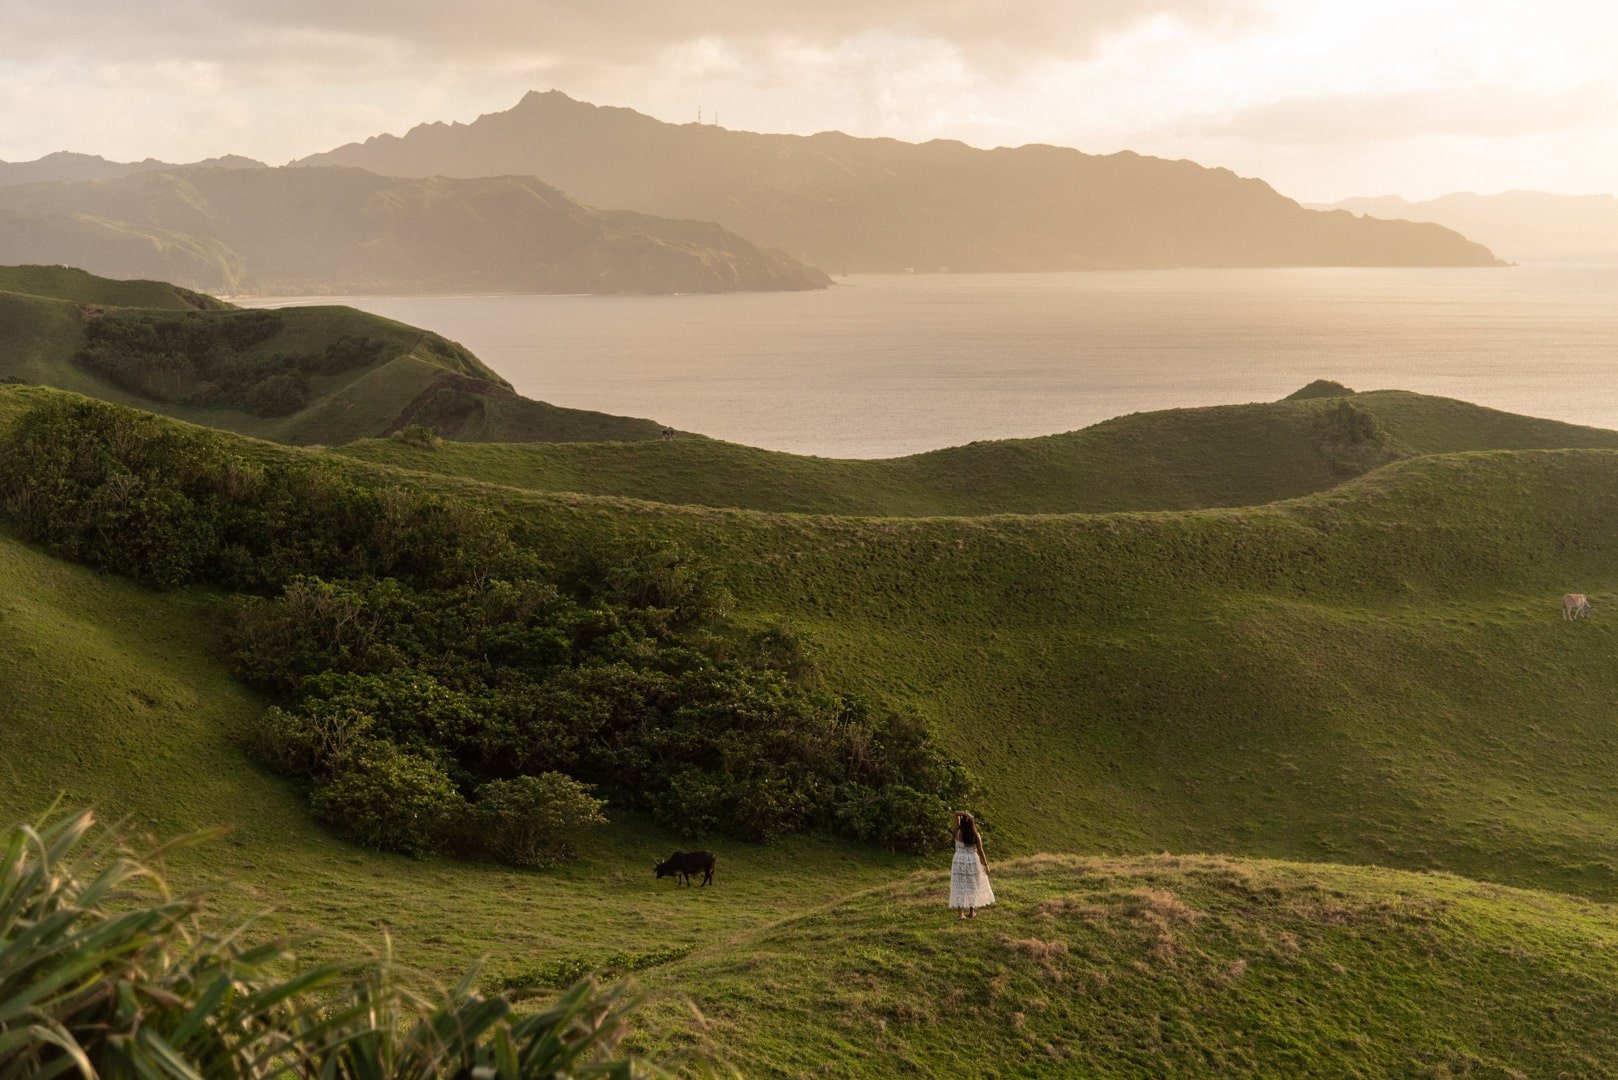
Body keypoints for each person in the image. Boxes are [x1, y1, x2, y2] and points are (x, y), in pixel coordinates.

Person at [949, 811, 995, 919]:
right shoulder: (975, 835)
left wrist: (965, 814)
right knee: (973, 885)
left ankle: (960, 914)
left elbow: (956, 813)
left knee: (959, 886)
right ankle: (971, 912)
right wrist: (986, 864)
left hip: (959, 861)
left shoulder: (958, 832)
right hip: (972, 861)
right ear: (972, 823)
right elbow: (980, 851)